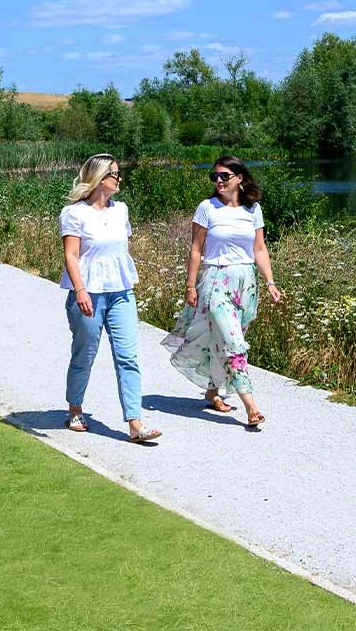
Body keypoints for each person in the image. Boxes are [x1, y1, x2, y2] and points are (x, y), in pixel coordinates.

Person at [165, 155, 283, 429]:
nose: (218, 181)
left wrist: (270, 282)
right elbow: (195, 250)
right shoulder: (207, 208)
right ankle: (251, 407)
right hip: (216, 280)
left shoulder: (253, 210)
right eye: (214, 177)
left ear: (240, 178)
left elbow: (259, 250)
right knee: (232, 344)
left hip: (246, 283)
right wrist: (190, 286)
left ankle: (211, 391)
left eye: (224, 176)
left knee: (220, 339)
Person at [60, 153, 162, 444]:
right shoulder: (74, 213)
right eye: (115, 174)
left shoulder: (121, 210)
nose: (119, 179)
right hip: (88, 293)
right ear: (99, 178)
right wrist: (80, 290)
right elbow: (71, 255)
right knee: (85, 355)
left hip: (121, 291)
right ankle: (75, 408)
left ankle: (135, 423)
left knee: (127, 356)